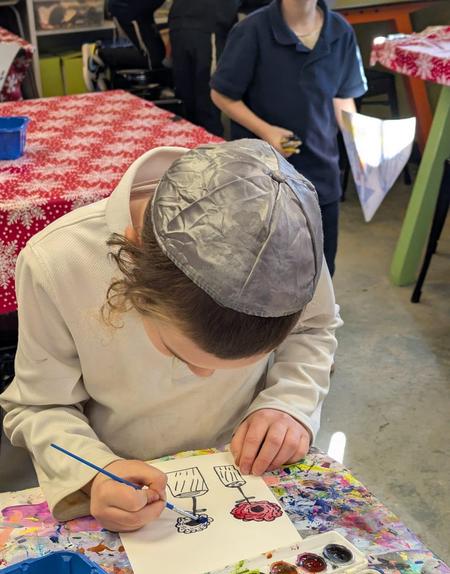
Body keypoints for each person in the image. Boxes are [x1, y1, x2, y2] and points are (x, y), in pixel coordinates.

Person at [0, 140, 340, 533]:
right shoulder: (58, 262)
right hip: (123, 476)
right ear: (130, 264)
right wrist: (95, 472)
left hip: (244, 471)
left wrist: (288, 402)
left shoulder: (286, 240)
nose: (204, 377)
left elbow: (314, 327)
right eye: (181, 354)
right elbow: (38, 407)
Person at [210, 0, 367, 276]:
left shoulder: (340, 31)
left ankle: (317, 318)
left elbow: (343, 98)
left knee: (321, 265)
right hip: (264, 176)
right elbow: (222, 94)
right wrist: (266, 130)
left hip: (321, 171)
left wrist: (361, 144)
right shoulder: (252, 30)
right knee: (265, 268)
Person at [168, 0, 239, 135]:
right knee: (207, 100)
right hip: (209, 23)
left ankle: (183, 145)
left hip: (180, 23)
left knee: (185, 98)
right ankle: (209, 149)